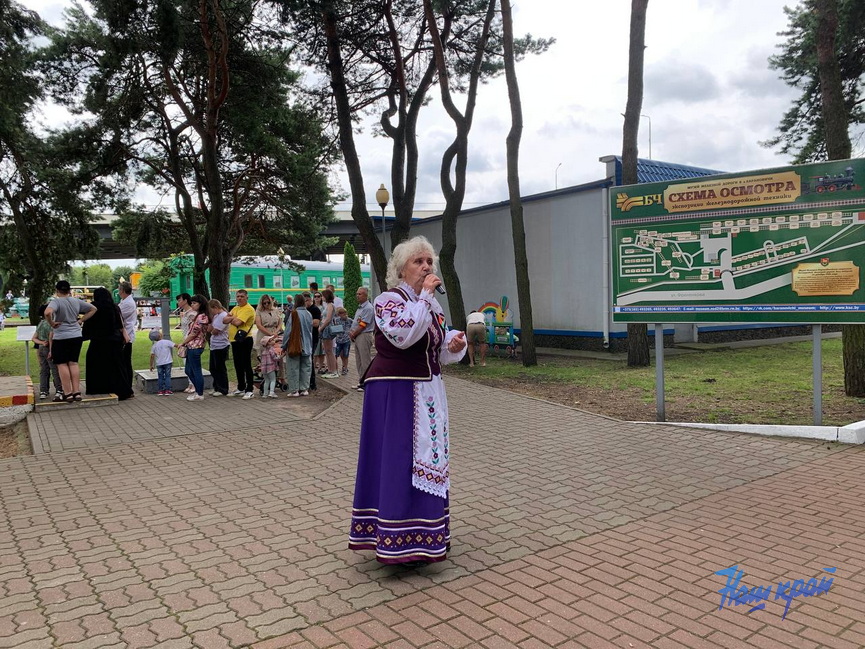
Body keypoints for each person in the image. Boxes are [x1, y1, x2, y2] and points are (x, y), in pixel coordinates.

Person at [348, 236, 467, 565]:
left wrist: (454, 346)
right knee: (399, 461)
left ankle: (428, 536)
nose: (427, 267)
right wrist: (426, 296)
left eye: (429, 261)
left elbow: (437, 347)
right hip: (395, 392)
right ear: (401, 270)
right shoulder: (388, 301)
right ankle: (395, 539)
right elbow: (404, 336)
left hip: (427, 391)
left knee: (429, 459)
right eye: (419, 262)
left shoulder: (432, 304)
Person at [45, 280, 97, 403]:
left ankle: (67, 393)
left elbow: (47, 312)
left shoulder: (56, 302)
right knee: (73, 363)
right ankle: (76, 392)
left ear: (57, 291)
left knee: (62, 364)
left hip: (61, 336)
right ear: (69, 291)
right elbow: (93, 309)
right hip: (76, 335)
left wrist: (52, 323)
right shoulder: (76, 301)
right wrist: (81, 320)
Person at [82, 287, 133, 400]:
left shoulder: (93, 307)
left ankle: (97, 387)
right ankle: (122, 389)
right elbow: (120, 324)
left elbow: (88, 324)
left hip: (98, 340)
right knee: (116, 366)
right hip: (114, 340)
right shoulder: (114, 307)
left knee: (95, 364)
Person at [177, 294, 210, 401]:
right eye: (192, 303)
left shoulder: (202, 317)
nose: (192, 305)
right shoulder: (198, 316)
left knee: (196, 370)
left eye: (195, 303)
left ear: (201, 304)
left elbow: (194, 333)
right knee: (188, 370)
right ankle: (197, 390)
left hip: (196, 346)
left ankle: (199, 393)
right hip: (191, 346)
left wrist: (183, 342)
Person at [225, 289, 256, 398]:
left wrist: (231, 318)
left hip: (245, 339)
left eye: (242, 296)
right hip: (235, 340)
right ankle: (241, 387)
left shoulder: (248, 309)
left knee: (246, 364)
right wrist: (233, 318)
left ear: (247, 297)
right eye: (238, 296)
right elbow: (224, 320)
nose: (239, 298)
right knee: (238, 364)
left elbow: (238, 322)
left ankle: (249, 389)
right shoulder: (236, 308)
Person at [282, 293, 312, 397]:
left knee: (293, 367)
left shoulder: (294, 314)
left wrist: (284, 345)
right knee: (306, 367)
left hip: (295, 344)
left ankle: (294, 390)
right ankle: (304, 389)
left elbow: (288, 331)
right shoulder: (309, 314)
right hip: (307, 344)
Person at [31, 305, 62, 400]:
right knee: (55, 369)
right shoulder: (51, 324)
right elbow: (51, 338)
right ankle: (59, 390)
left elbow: (33, 338)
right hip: (49, 348)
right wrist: (51, 350)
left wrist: (41, 342)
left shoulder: (41, 323)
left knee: (44, 370)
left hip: (41, 348)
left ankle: (43, 391)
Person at [348, 287, 375, 391]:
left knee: (365, 360)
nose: (357, 296)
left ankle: (367, 382)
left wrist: (353, 333)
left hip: (364, 335)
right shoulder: (360, 307)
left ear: (365, 295)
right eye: (357, 294)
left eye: (360, 294)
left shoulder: (368, 308)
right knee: (358, 360)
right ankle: (361, 380)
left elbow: (363, 324)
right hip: (358, 335)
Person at [207, 299, 230, 396]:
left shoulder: (223, 316)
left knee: (220, 368)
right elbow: (209, 329)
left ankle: (223, 388)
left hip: (221, 345)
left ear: (215, 307)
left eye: (211, 310)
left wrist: (212, 330)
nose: (210, 312)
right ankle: (216, 386)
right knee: (213, 368)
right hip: (214, 346)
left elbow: (215, 331)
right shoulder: (216, 316)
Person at [118, 281, 137, 392]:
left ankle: (128, 386)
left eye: (120, 290)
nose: (119, 292)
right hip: (124, 335)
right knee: (123, 362)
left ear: (123, 291)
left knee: (125, 362)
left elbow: (118, 315)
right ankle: (125, 385)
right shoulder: (124, 301)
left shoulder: (128, 303)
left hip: (127, 336)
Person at [176, 293, 196, 393]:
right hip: (185, 339)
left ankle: (194, 384)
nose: (178, 302)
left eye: (179, 300)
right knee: (186, 363)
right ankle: (190, 383)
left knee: (191, 363)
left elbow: (195, 328)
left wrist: (188, 339)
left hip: (190, 341)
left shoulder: (191, 313)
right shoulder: (185, 312)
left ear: (185, 300)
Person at [318, 289, 339, 379]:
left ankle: (333, 370)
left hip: (327, 328)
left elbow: (328, 318)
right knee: (327, 350)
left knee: (329, 351)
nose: (322, 297)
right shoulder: (327, 306)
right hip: (325, 328)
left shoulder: (330, 305)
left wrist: (321, 328)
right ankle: (330, 370)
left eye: (323, 296)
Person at [149, 329, 175, 395]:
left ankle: (160, 390)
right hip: (168, 362)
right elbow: (175, 345)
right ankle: (167, 390)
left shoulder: (154, 346)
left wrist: (151, 365)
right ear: (160, 335)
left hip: (159, 363)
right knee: (167, 376)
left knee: (160, 376)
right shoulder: (167, 342)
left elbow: (152, 356)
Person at [259, 333, 282, 398]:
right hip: (271, 368)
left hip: (264, 369)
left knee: (266, 381)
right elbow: (275, 358)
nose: (273, 340)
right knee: (273, 380)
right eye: (272, 340)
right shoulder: (271, 350)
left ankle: (265, 394)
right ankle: (272, 392)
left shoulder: (263, 351)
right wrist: (281, 356)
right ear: (268, 343)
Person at [332, 307, 353, 375]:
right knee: (337, 354)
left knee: (345, 355)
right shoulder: (337, 320)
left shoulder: (350, 320)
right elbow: (334, 329)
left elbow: (354, 327)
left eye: (344, 313)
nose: (343, 314)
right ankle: (335, 368)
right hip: (339, 340)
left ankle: (345, 368)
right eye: (340, 313)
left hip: (346, 340)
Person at [311, 291, 326, 373]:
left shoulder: (323, 308)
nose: (317, 298)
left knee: (321, 350)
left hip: (322, 328)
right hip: (314, 330)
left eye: (318, 296)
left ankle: (320, 367)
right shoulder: (312, 307)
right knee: (315, 350)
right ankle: (313, 366)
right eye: (315, 296)